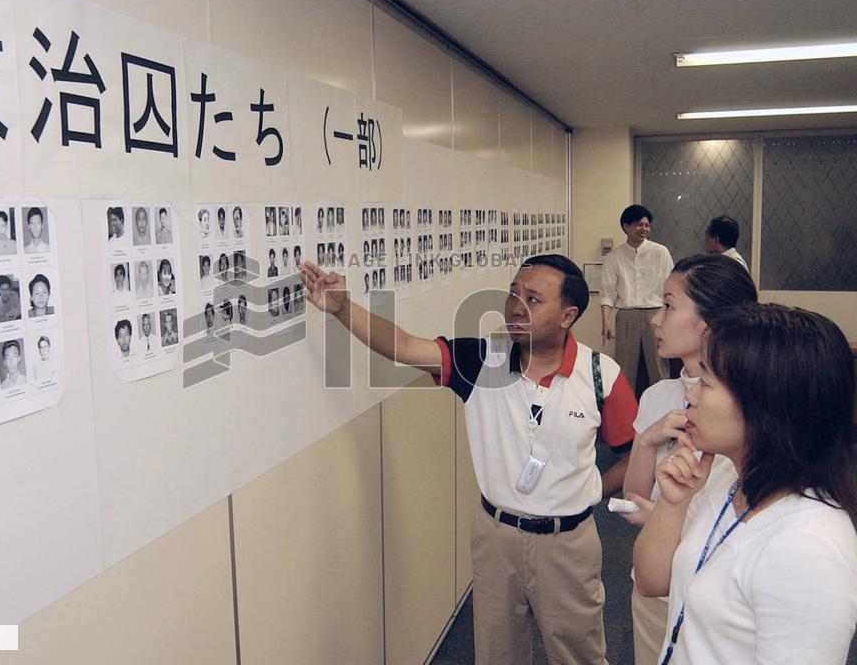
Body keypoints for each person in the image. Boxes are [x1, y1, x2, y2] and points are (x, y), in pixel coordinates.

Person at [301, 254, 637, 665]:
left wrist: (590, 491)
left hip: (568, 542)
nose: (516, 307)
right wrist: (341, 308)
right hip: (496, 537)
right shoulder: (482, 361)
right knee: (497, 653)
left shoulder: (602, 375)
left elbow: (631, 456)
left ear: (567, 315)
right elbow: (404, 347)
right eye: (514, 293)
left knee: (578, 654)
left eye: (533, 299)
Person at [633, 303, 857, 664]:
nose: (690, 396)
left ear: (766, 406)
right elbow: (651, 581)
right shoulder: (732, 482)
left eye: (705, 383)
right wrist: (673, 505)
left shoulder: (806, 547)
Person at [618, 255, 757, 665]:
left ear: (709, 324)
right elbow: (633, 496)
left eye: (668, 306)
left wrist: (668, 521)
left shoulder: (749, 409)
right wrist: (646, 441)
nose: (654, 320)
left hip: (719, 592)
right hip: (655, 578)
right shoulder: (658, 396)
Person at [600, 204, 673, 391]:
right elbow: (607, 293)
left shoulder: (661, 252)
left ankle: (663, 408)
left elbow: (671, 286)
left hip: (655, 313)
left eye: (647, 225)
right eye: (639, 225)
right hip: (626, 314)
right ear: (626, 226)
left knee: (659, 364)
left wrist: (669, 315)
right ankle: (625, 411)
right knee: (625, 366)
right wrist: (605, 321)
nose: (644, 229)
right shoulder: (614, 257)